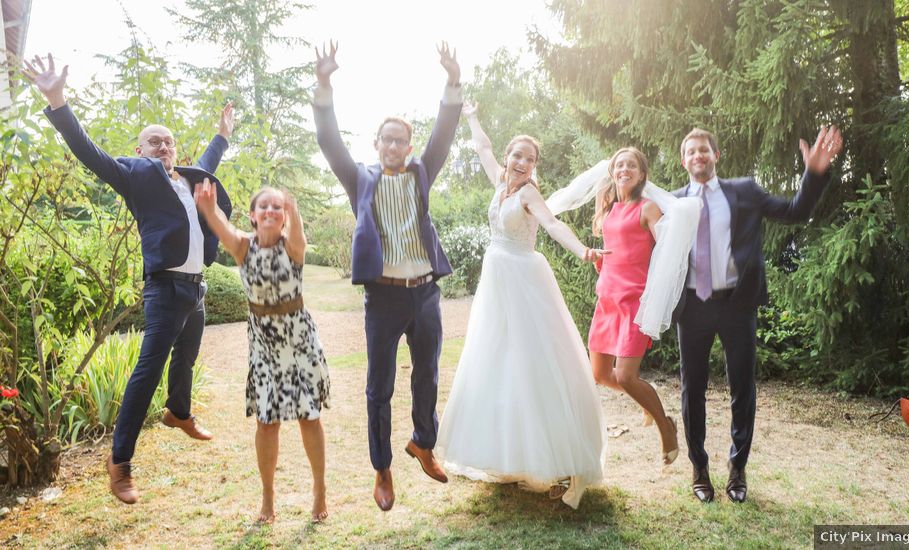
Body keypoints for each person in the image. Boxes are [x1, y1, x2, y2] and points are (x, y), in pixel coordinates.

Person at [23, 54, 235, 505]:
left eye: (169, 142)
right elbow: (88, 151)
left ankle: (178, 413)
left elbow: (211, 159)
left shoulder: (192, 179)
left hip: (196, 287)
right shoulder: (136, 175)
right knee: (148, 370)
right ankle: (120, 461)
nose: (163, 147)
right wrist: (58, 101)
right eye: (154, 142)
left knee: (188, 357)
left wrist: (222, 135)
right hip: (165, 287)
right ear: (140, 150)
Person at [436, 102, 608, 510]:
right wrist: (473, 115)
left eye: (529, 159)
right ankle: (509, 456)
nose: (520, 163)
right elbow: (481, 147)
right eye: (517, 155)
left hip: (524, 281)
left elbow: (552, 224)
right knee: (497, 360)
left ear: (534, 167)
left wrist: (583, 251)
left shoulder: (529, 193)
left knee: (534, 360)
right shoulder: (499, 182)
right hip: (496, 282)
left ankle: (557, 460)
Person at [311, 41, 461, 511]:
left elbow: (444, 133)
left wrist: (452, 82)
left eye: (401, 139)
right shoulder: (360, 180)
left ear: (408, 146)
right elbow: (329, 142)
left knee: (429, 376)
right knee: (379, 386)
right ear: (376, 145)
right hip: (384, 298)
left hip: (426, 294)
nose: (394, 145)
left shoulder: (421, 173)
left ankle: (423, 442)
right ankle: (382, 468)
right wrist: (324, 85)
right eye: (387, 139)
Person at [675, 126, 843, 503]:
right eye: (691, 151)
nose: (698, 155)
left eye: (705, 149)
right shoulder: (672, 202)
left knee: (742, 388)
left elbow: (796, 211)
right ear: (683, 161)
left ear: (716, 155)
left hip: (737, 303)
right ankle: (699, 467)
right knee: (692, 390)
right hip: (693, 306)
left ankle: (738, 467)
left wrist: (814, 173)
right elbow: (643, 241)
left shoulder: (745, 191)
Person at [193, 183, 330, 524]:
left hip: (299, 343)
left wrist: (292, 205)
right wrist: (209, 209)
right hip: (264, 346)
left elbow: (297, 231)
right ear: (252, 216)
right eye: (263, 207)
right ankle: (268, 498)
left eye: (277, 207)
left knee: (309, 416)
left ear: (284, 217)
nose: (270, 211)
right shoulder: (243, 246)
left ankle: (319, 489)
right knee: (266, 422)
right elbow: (219, 224)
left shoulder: (293, 246)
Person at [587, 148, 680, 467]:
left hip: (635, 303)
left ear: (642, 175)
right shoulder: (608, 210)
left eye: (632, 165)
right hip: (607, 299)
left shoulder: (648, 208)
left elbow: (667, 248)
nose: (624, 169)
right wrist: (600, 259)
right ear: (612, 172)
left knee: (626, 376)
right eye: (619, 165)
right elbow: (617, 252)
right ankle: (646, 400)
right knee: (600, 374)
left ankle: (665, 428)